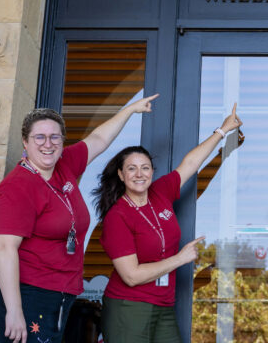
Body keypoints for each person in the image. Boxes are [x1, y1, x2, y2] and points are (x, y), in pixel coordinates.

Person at [0, 94, 160, 343]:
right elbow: (5, 249)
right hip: (21, 291)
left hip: (56, 291)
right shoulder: (17, 188)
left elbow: (98, 139)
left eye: (55, 137)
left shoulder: (63, 166)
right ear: (25, 142)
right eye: (39, 137)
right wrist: (14, 311)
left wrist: (129, 110)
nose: (47, 144)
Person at [94, 104, 242, 343]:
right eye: (131, 169)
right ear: (121, 175)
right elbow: (131, 276)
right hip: (129, 307)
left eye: (145, 168)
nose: (139, 174)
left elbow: (191, 163)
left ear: (152, 171)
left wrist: (223, 130)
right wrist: (180, 259)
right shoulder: (117, 216)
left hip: (163, 304)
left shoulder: (160, 192)